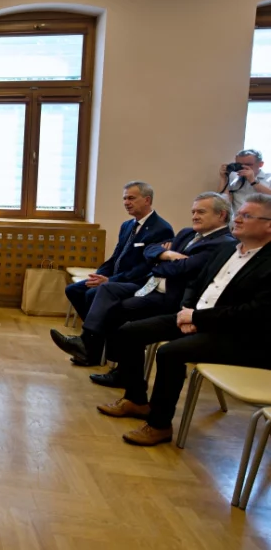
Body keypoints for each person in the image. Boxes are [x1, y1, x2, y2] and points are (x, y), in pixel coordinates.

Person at [97, 194, 271, 447]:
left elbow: (253, 312)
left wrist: (198, 317)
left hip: (240, 335)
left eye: (247, 216)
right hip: (197, 316)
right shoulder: (227, 249)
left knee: (170, 353)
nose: (238, 219)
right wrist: (187, 311)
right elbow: (197, 283)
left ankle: (159, 425)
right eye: (239, 214)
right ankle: (136, 400)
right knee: (129, 331)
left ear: (268, 225)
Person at [52, 192, 234, 385]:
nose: (194, 216)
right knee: (104, 294)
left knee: (118, 310)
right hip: (151, 285)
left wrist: (159, 261)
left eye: (201, 212)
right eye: (193, 211)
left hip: (172, 298)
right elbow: (151, 251)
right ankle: (92, 346)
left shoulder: (222, 243)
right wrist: (167, 255)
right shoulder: (187, 233)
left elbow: (183, 268)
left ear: (221, 215)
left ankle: (111, 363)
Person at [52, 181, 173, 366]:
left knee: (94, 293)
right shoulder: (127, 225)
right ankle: (95, 344)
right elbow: (116, 256)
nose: (126, 202)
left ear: (147, 200)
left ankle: (89, 346)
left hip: (139, 282)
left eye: (131, 198)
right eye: (124, 198)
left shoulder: (161, 228)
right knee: (75, 290)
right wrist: (98, 275)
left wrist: (109, 280)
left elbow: (145, 268)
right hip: (114, 280)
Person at [218, 148, 271, 213]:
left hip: (261, 220)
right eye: (239, 164)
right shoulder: (236, 180)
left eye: (248, 164)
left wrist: (253, 181)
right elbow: (223, 202)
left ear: (261, 164)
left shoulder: (269, 178)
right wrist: (224, 179)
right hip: (237, 220)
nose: (243, 167)